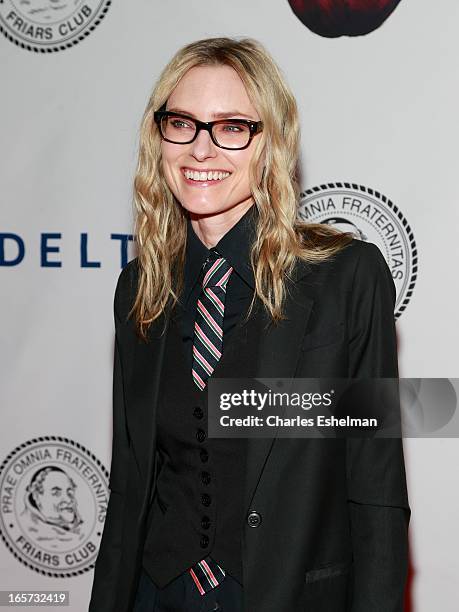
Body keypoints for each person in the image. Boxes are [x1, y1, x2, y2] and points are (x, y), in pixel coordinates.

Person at [88, 36, 410, 612]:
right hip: (156, 593)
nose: (201, 149)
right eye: (182, 123)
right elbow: (131, 484)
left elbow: (375, 485)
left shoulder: (346, 279)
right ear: (158, 137)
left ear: (272, 144)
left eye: (233, 127)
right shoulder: (139, 288)